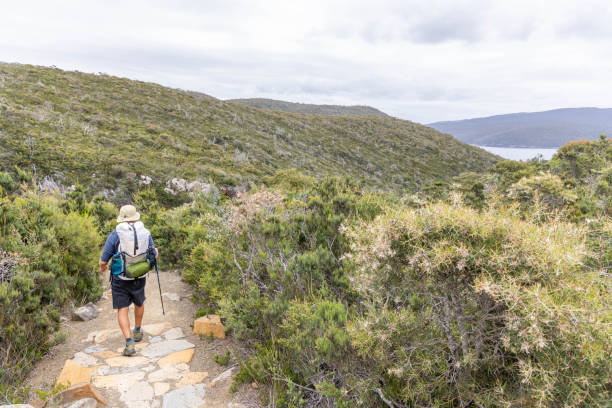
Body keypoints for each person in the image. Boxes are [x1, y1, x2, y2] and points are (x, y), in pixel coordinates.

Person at [99, 205, 158, 356]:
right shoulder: (145, 232)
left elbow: (103, 260)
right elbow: (155, 253)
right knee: (139, 302)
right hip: (140, 274)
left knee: (122, 309)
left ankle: (129, 343)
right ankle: (137, 331)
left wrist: (103, 267)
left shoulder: (115, 234)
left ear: (122, 217)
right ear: (135, 217)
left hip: (121, 277)